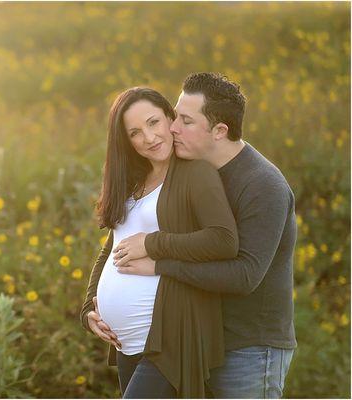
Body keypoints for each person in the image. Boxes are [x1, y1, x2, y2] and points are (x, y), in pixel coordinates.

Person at [113, 72, 297, 398]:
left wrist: (158, 263)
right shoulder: (187, 171)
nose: (172, 128)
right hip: (198, 340)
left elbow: (243, 276)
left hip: (250, 348)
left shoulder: (262, 185)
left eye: (186, 121)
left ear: (220, 131)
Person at [79, 86, 239, 398]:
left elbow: (223, 240)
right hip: (127, 343)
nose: (149, 138)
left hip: (170, 337)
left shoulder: (196, 174)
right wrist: (88, 309)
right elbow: (113, 248)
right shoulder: (134, 181)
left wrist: (153, 243)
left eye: (154, 123)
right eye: (135, 132)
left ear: (171, 118)